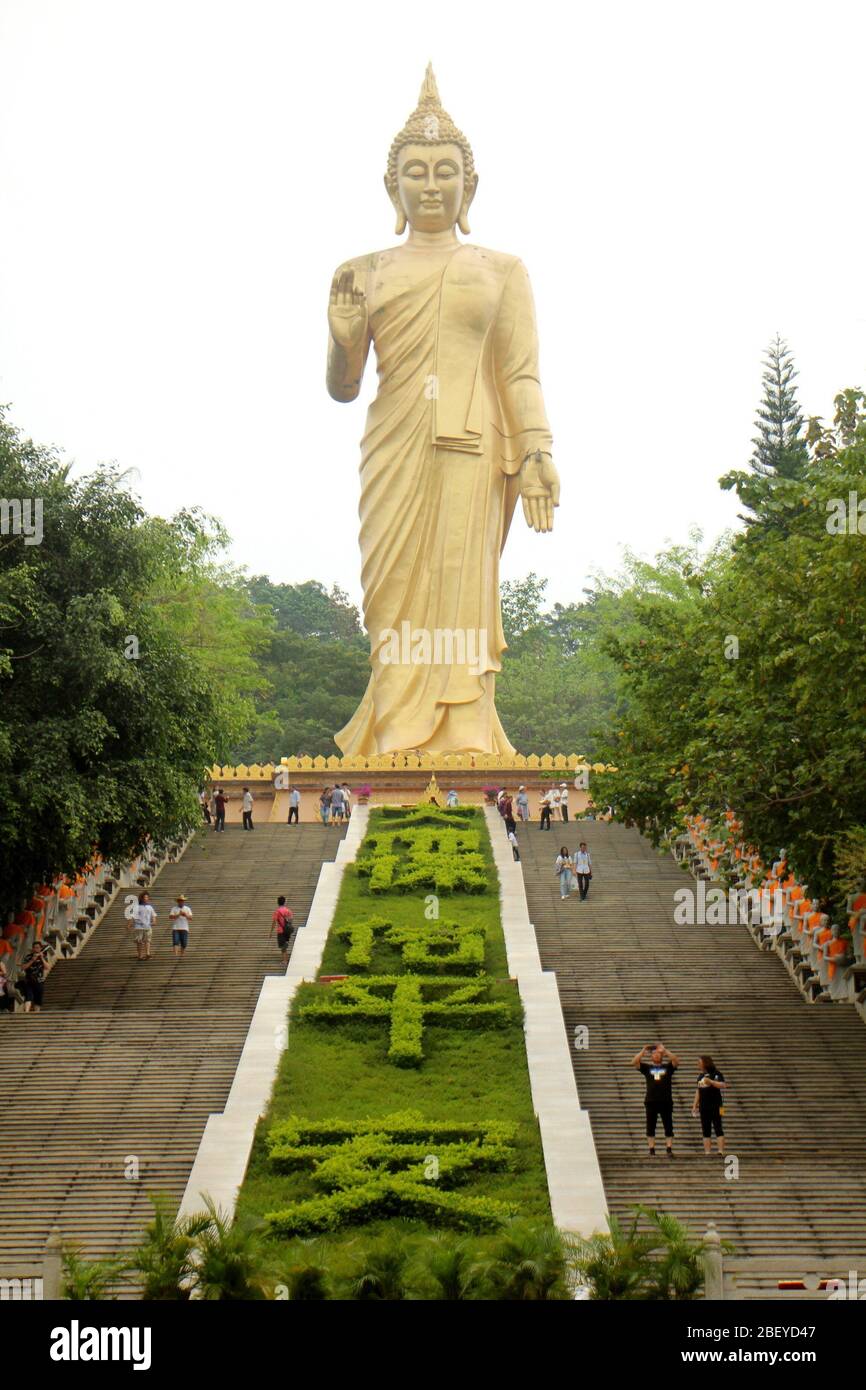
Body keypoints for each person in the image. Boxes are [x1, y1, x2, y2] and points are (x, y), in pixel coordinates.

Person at [632, 1042, 679, 1157]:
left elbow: (676, 1061)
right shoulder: (647, 1068)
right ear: (651, 1057)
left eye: (658, 1054)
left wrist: (665, 1050)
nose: (657, 1055)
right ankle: (651, 1149)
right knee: (650, 1125)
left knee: (668, 1125)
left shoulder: (667, 1067)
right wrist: (643, 1050)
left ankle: (669, 1148)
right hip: (651, 1101)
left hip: (666, 1101)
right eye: (654, 1054)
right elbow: (634, 1062)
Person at [692, 1055, 727, 1156]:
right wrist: (695, 1105)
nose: (698, 1064)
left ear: (705, 1062)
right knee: (705, 1129)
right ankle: (707, 1152)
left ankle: (720, 1151)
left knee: (718, 1127)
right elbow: (698, 1091)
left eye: (700, 1062)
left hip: (716, 1105)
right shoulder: (700, 1076)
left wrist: (711, 1082)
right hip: (704, 1106)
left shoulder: (716, 1073)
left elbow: (723, 1085)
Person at [21, 941, 48, 1011]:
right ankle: (26, 1012)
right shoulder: (28, 957)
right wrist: (32, 960)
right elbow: (23, 967)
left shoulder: (44, 957)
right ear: (32, 949)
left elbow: (47, 967)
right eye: (34, 948)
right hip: (29, 980)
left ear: (41, 948)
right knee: (28, 996)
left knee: (38, 999)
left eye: (37, 948)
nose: (36, 949)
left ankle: (36, 1014)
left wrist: (42, 958)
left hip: (39, 980)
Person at [131, 891, 157, 961]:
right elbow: (133, 916)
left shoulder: (150, 907)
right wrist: (130, 924)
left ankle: (148, 954)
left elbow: (153, 915)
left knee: (148, 940)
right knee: (139, 941)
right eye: (145, 897)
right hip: (139, 927)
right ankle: (140, 955)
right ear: (141, 898)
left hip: (147, 926)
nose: (146, 898)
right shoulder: (137, 907)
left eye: (147, 897)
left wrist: (154, 921)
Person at [270, 895, 294, 965]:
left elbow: (274, 922)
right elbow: (291, 919)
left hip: (280, 931)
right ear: (284, 902)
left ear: (278, 903)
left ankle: (285, 961)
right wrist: (288, 925)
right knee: (284, 945)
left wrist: (271, 932)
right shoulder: (288, 910)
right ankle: (285, 959)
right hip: (287, 931)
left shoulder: (277, 912)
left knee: (283, 946)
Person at [168, 894, 193, 959]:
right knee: (175, 941)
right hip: (176, 927)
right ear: (178, 901)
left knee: (184, 943)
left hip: (184, 928)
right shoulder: (174, 908)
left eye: (182, 901)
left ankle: (182, 955)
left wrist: (185, 915)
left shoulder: (187, 908)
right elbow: (170, 917)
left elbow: (191, 918)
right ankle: (175, 955)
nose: (181, 902)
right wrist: (178, 914)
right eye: (180, 901)